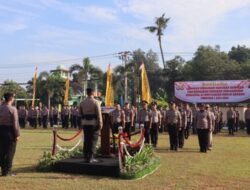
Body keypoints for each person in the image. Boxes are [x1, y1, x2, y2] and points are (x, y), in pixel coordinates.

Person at [79, 88, 103, 163]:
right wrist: (100, 124)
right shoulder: (96, 102)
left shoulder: (82, 102)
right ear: (92, 93)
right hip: (93, 123)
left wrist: (82, 122)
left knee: (86, 140)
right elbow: (99, 115)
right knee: (93, 140)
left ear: (87, 93)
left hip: (85, 123)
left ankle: (86, 156)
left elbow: (80, 113)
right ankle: (91, 157)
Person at [0, 93, 20, 176]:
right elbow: (15, 123)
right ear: (11, 99)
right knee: (10, 152)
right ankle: (7, 171)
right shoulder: (12, 109)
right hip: (9, 131)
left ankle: (3, 169)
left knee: (1, 152)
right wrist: (17, 134)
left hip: (0, 130)